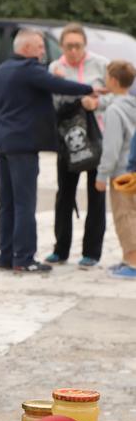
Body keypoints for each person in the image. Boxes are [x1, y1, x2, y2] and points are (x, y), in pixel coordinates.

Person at [0, 29, 94, 273]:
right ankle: (24, 258)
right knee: (24, 203)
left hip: (2, 142)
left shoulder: (0, 70)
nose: (43, 51)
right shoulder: (30, 69)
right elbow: (60, 85)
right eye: (39, 47)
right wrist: (89, 89)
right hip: (23, 146)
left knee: (7, 203)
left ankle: (5, 256)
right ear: (26, 49)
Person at [45, 23, 110, 269]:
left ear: (85, 45)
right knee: (65, 194)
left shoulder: (100, 64)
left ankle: (91, 251)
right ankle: (60, 249)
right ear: (61, 46)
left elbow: (114, 94)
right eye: (68, 46)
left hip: (96, 138)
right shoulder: (56, 67)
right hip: (68, 139)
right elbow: (53, 100)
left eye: (77, 46)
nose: (73, 51)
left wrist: (98, 104)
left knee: (96, 195)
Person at [88, 61, 136, 279]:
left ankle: (133, 262)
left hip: (121, 174)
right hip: (133, 170)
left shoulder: (114, 111)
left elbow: (111, 147)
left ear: (114, 81)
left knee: (124, 216)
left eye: (107, 76)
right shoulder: (132, 105)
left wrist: (101, 175)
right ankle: (128, 257)